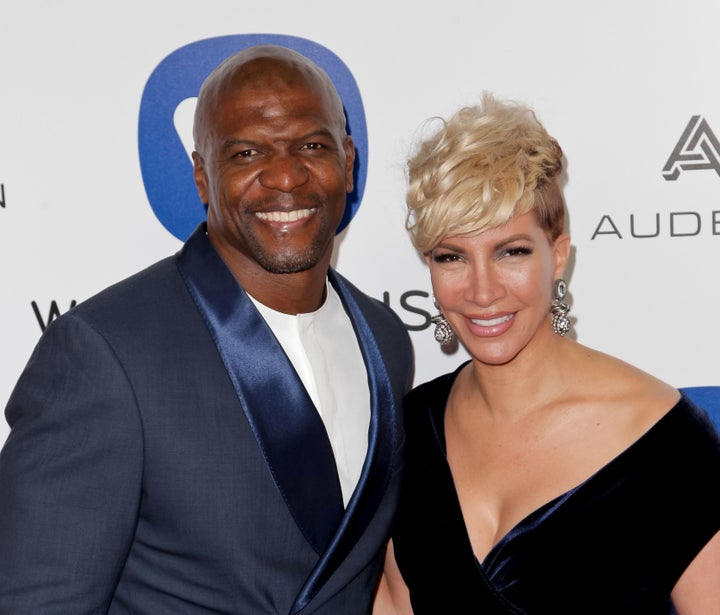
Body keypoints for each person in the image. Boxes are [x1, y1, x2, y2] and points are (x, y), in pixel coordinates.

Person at [0, 45, 413, 614]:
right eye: (247, 152)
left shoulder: (386, 340)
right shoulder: (104, 351)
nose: (286, 175)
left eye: (311, 146)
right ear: (201, 175)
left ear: (347, 159)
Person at [375, 94, 720, 614]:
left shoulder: (667, 441)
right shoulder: (408, 430)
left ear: (556, 256)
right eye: (453, 257)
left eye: (511, 251)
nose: (483, 290)